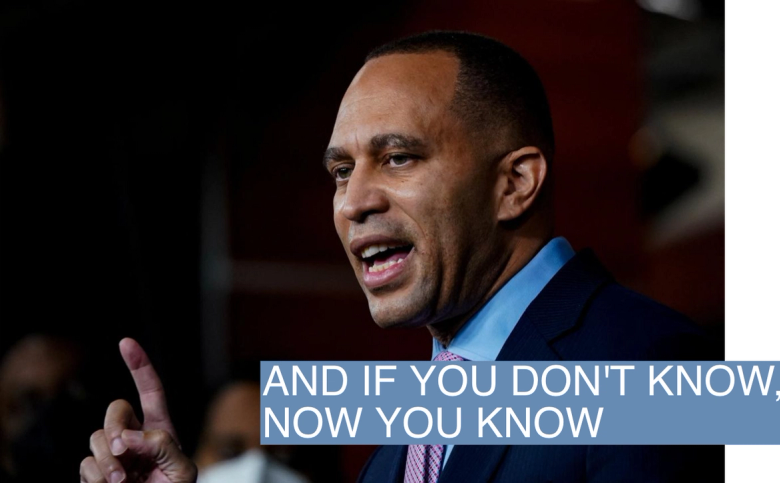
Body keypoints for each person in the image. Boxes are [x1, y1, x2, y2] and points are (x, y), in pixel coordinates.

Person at [78, 31, 721, 483]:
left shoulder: (656, 369)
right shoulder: (399, 451)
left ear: (515, 183)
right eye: (340, 171)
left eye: (398, 158)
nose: (353, 201)